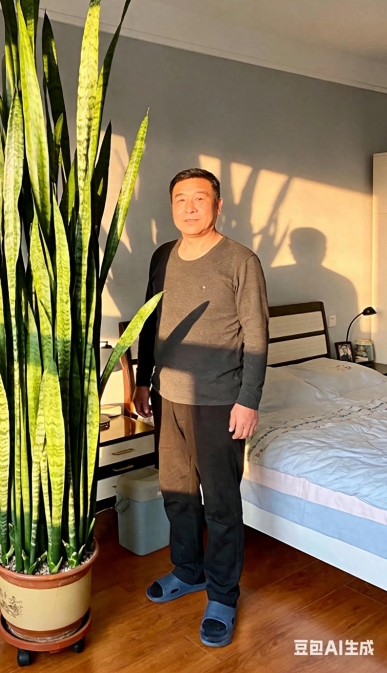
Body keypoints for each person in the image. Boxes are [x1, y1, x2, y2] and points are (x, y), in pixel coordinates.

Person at [133, 167, 269, 648]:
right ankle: (188, 570)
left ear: (217, 205)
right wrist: (143, 379)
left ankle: (223, 596)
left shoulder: (240, 260)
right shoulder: (162, 256)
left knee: (221, 503)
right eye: (180, 199)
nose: (189, 208)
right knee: (177, 492)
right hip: (167, 395)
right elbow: (149, 320)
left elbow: (257, 336)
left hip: (218, 401)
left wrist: (248, 400)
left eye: (199, 198)